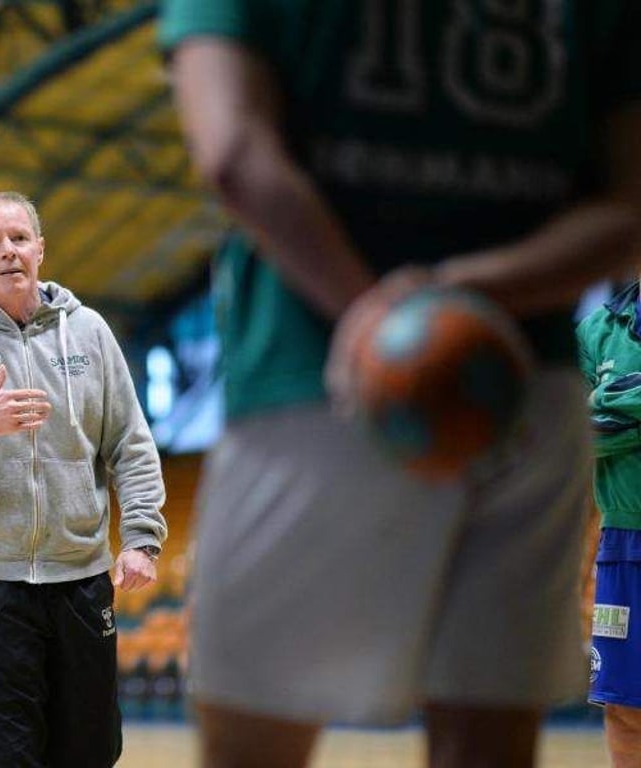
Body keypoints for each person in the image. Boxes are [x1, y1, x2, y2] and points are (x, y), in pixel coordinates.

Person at [160, 2, 641, 767]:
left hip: (316, 380)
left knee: (255, 745)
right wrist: (458, 292)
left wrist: (380, 322)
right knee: (487, 749)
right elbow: (627, 206)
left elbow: (233, 153)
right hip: (518, 388)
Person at [0, 190, 168, 768]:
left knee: (92, 754)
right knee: (5, 759)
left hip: (83, 581)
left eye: (19, 238)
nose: (8, 252)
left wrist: (141, 537)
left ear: (41, 248)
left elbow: (131, 443)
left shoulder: (88, 332)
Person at [578, 282, 641, 768]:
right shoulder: (599, 328)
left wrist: (612, 401)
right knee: (625, 707)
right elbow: (573, 433)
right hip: (624, 542)